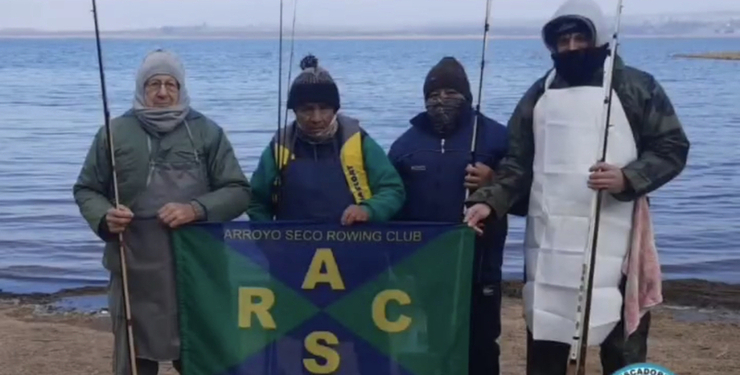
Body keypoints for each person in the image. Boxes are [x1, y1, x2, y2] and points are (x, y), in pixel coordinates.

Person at [463, 0, 690, 375]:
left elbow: (672, 147)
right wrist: (489, 200)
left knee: (621, 343)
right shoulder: (539, 94)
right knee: (548, 333)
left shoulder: (637, 87)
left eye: (579, 38)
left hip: (616, 237)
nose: (570, 48)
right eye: (562, 41)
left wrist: (628, 176)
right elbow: (517, 163)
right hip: (549, 243)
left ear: (599, 39)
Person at [73, 49, 252, 375]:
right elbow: (86, 189)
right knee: (135, 356)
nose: (162, 92)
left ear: (181, 89)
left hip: (197, 268)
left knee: (200, 354)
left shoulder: (207, 132)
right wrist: (104, 216)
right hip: (132, 268)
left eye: (171, 84)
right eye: (154, 84)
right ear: (142, 88)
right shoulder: (114, 133)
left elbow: (239, 192)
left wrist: (196, 209)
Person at [388, 56, 509, 375]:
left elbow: (523, 197)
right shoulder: (405, 145)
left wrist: (492, 183)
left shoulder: (496, 137)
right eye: (434, 94)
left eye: (451, 93)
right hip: (425, 268)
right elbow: (391, 203)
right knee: (432, 340)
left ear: (467, 97)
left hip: (481, 264)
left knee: (482, 342)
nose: (442, 100)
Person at [247, 54, 405, 223]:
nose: (316, 118)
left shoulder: (359, 142)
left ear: (335, 109)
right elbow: (256, 201)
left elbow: (393, 190)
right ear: (295, 111)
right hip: (291, 246)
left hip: (356, 242)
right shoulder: (279, 147)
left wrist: (369, 209)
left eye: (324, 108)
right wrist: (266, 236)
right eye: (307, 109)